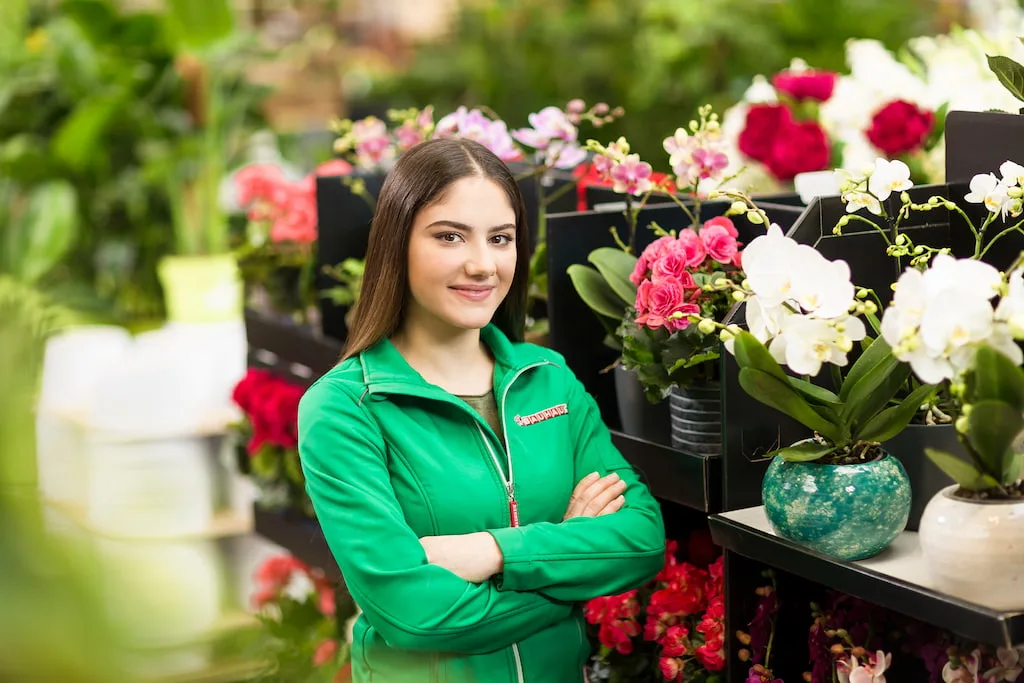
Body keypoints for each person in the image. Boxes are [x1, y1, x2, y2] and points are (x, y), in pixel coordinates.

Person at [298, 137, 665, 683]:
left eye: (500, 238)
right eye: (450, 236)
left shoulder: (547, 379)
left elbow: (641, 539)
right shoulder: (345, 408)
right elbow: (414, 615)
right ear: (397, 244)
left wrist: (492, 551)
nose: (482, 265)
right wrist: (569, 571)